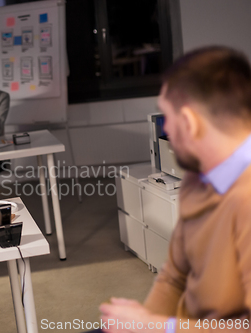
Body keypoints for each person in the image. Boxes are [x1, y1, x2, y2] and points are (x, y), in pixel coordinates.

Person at [99, 46, 251, 333]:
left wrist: (155, 327)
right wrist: (143, 323)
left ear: (191, 123)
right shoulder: (197, 179)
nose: (164, 129)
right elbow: (174, 277)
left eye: (167, 118)